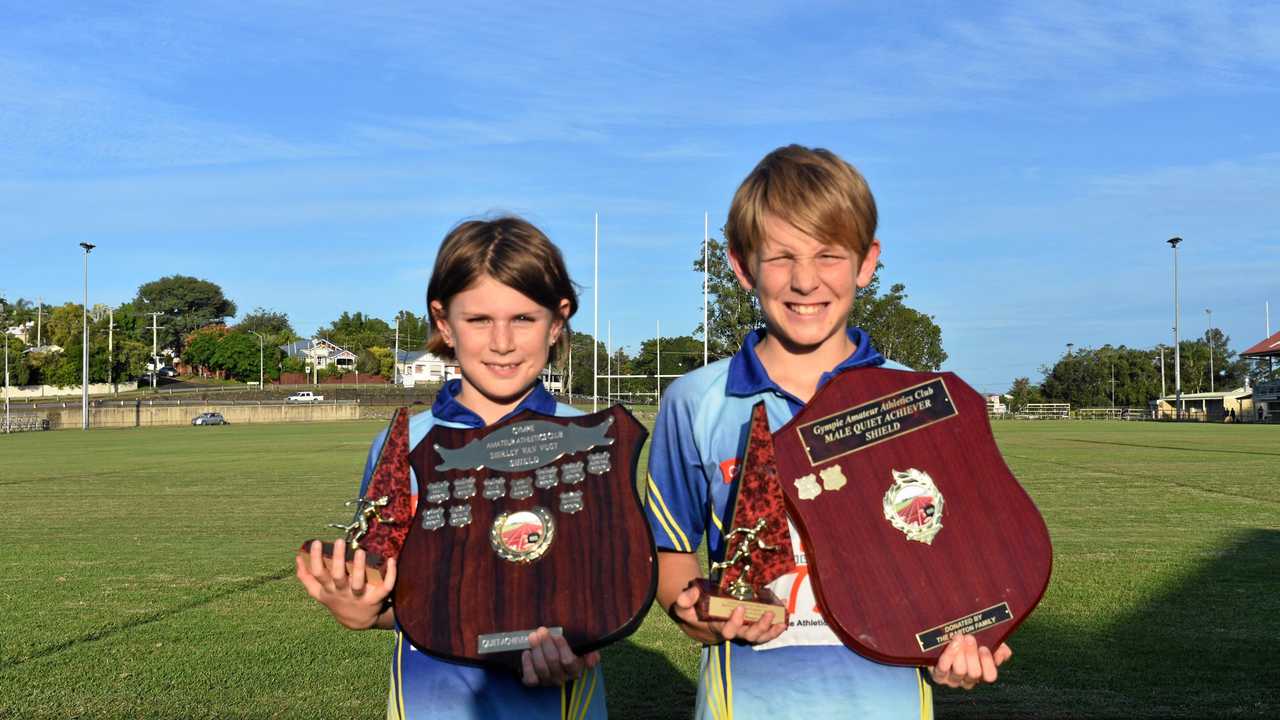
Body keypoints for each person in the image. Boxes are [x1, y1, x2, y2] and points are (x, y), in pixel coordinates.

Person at [646, 145, 1012, 719]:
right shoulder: (694, 400)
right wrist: (699, 614)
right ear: (742, 266)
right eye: (781, 257)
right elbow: (672, 560)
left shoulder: (917, 401)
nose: (805, 280)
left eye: (828, 254)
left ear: (867, 263)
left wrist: (964, 637)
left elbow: (962, 556)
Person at [295, 216, 607, 720]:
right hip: (431, 700)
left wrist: (589, 633)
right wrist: (363, 608)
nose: (501, 342)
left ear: (558, 320)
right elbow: (398, 591)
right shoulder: (403, 444)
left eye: (524, 318)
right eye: (479, 319)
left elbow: (607, 587)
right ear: (443, 323)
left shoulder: (593, 440)